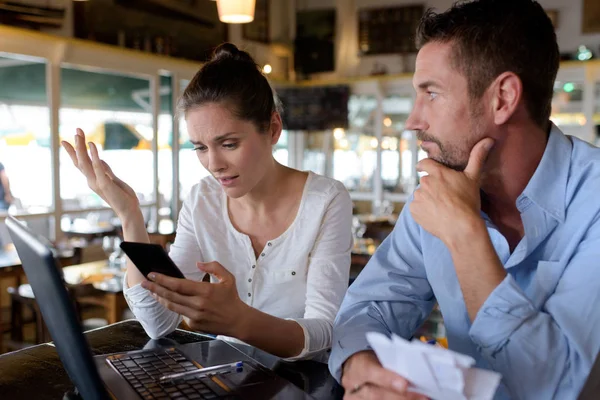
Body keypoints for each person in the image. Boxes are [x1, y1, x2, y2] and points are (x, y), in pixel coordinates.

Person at [329, 0, 600, 399]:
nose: (413, 120)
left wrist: (465, 235)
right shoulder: (437, 193)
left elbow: (562, 388)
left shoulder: (592, 202)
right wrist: (363, 368)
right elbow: (366, 308)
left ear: (503, 98)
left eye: (431, 93)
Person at [62, 43, 353, 360]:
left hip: (303, 382)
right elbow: (158, 322)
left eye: (228, 144)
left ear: (272, 129)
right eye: (200, 148)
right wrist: (130, 215)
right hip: (229, 375)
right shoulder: (202, 199)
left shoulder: (326, 199)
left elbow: (324, 331)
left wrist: (241, 322)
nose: (214, 164)